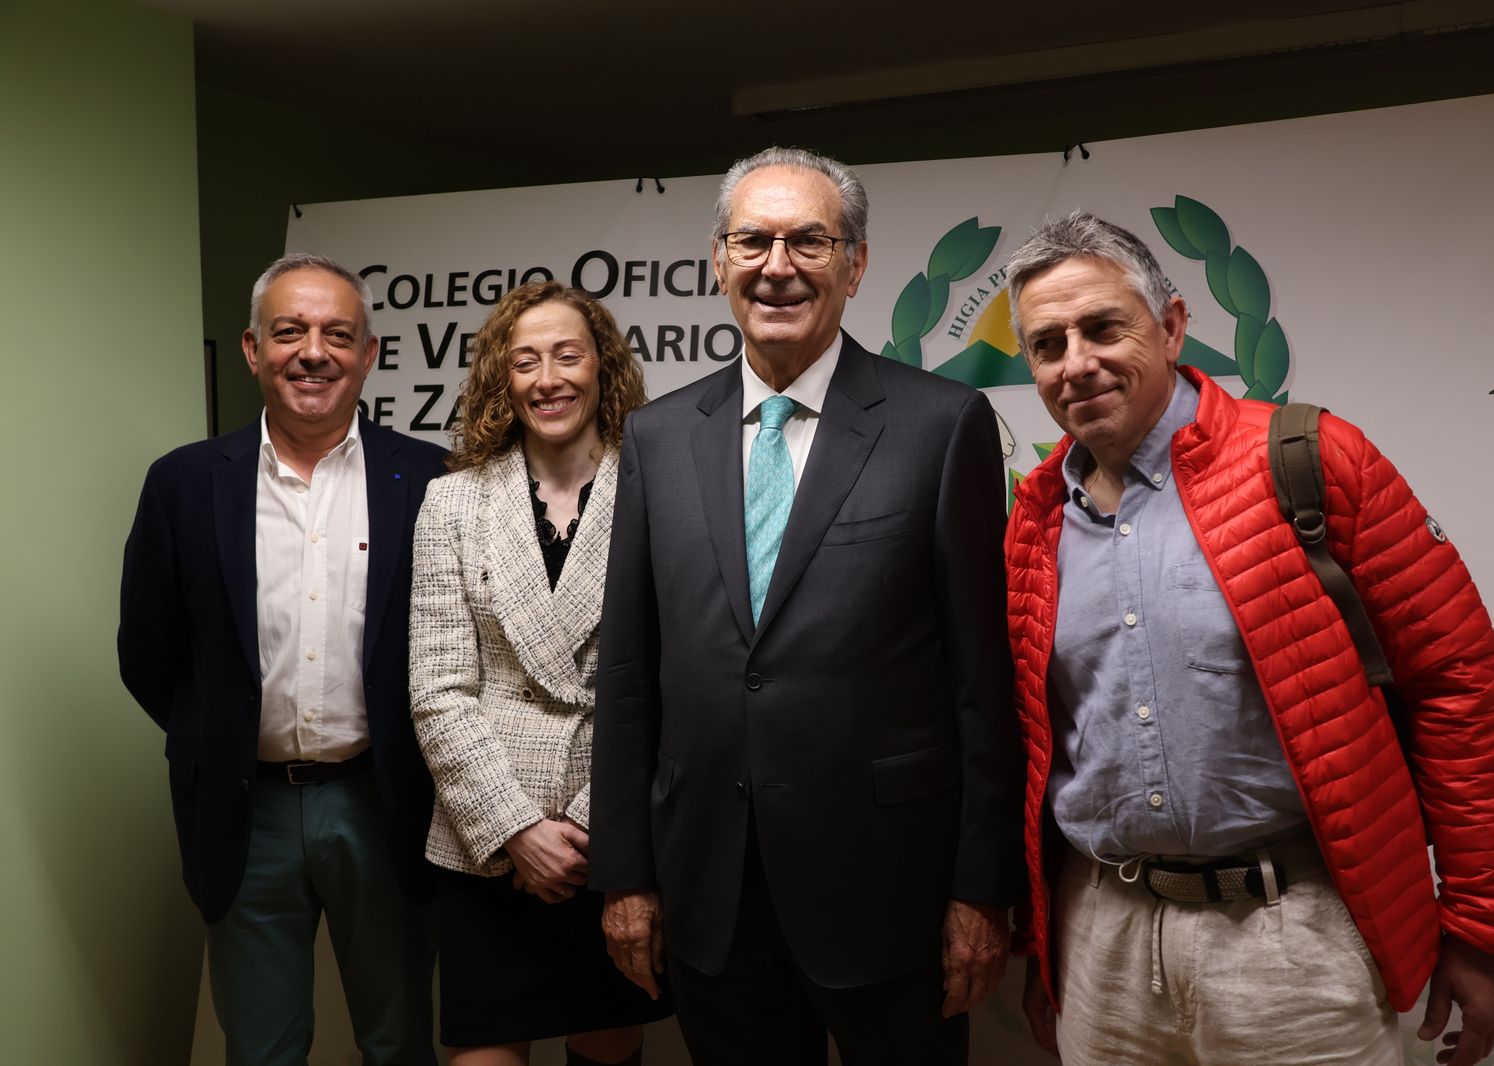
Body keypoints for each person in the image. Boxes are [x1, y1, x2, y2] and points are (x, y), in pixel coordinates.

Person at [1002, 211, 1494, 1066]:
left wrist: (1485, 932)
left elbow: (1456, 686)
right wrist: (1047, 943)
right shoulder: (1034, 520)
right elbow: (1036, 749)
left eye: (1104, 328)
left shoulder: (1312, 460)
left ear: (1174, 324)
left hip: (1293, 938)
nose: (1077, 363)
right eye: (1047, 345)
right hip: (1103, 937)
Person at [587, 146, 1021, 1066]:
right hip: (711, 890)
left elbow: (984, 682)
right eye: (753, 240)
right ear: (718, 260)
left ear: (856, 265)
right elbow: (627, 676)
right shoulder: (658, 439)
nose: (777, 265)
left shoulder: (942, 426)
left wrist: (981, 889)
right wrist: (624, 875)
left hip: (891, 893)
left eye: (809, 242)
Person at [118, 253, 444, 1065]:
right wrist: (218, 731)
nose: (313, 352)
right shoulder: (185, 483)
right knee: (262, 1049)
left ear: (370, 355)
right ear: (252, 349)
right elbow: (146, 650)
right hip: (244, 809)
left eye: (339, 334)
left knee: (398, 1041)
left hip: (384, 801)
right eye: (289, 332)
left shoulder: (432, 479)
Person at [409, 281, 670, 1066]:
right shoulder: (452, 503)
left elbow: (674, 682)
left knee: (606, 1046)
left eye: (567, 355)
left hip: (609, 843)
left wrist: (587, 829)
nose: (548, 377)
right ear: (503, 379)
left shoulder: (662, 492)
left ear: (603, 368)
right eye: (525, 361)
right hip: (485, 844)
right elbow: (437, 688)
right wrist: (518, 830)